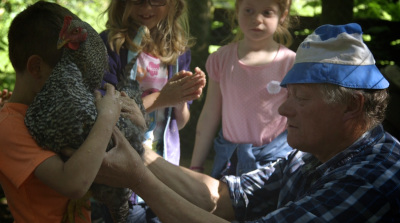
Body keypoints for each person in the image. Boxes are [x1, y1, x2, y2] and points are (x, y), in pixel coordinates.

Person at [95, 23, 400, 222]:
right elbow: (222, 199)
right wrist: (138, 150)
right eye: (288, 94)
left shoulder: (372, 178)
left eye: (302, 99)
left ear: (352, 105)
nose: (284, 109)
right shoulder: (311, 156)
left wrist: (137, 179)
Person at [0, 2, 143, 222]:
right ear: (36, 68)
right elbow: (73, 183)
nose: (79, 82)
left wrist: (132, 122)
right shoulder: (8, 127)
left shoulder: (57, 111)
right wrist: (106, 118)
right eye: (70, 72)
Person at [96, 0, 206, 222]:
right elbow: (102, 112)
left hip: (165, 170)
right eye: (138, 1)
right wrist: (162, 98)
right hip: (121, 175)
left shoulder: (178, 51)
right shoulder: (111, 45)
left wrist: (184, 95)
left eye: (157, 1)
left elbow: (181, 123)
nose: (146, 9)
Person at [190, 0, 295, 178]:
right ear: (237, 10)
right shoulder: (221, 59)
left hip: (275, 161)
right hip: (229, 160)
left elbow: (297, 117)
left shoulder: (291, 63)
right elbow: (210, 114)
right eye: (249, 10)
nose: (257, 19)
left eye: (267, 12)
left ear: (282, 15)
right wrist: (195, 167)